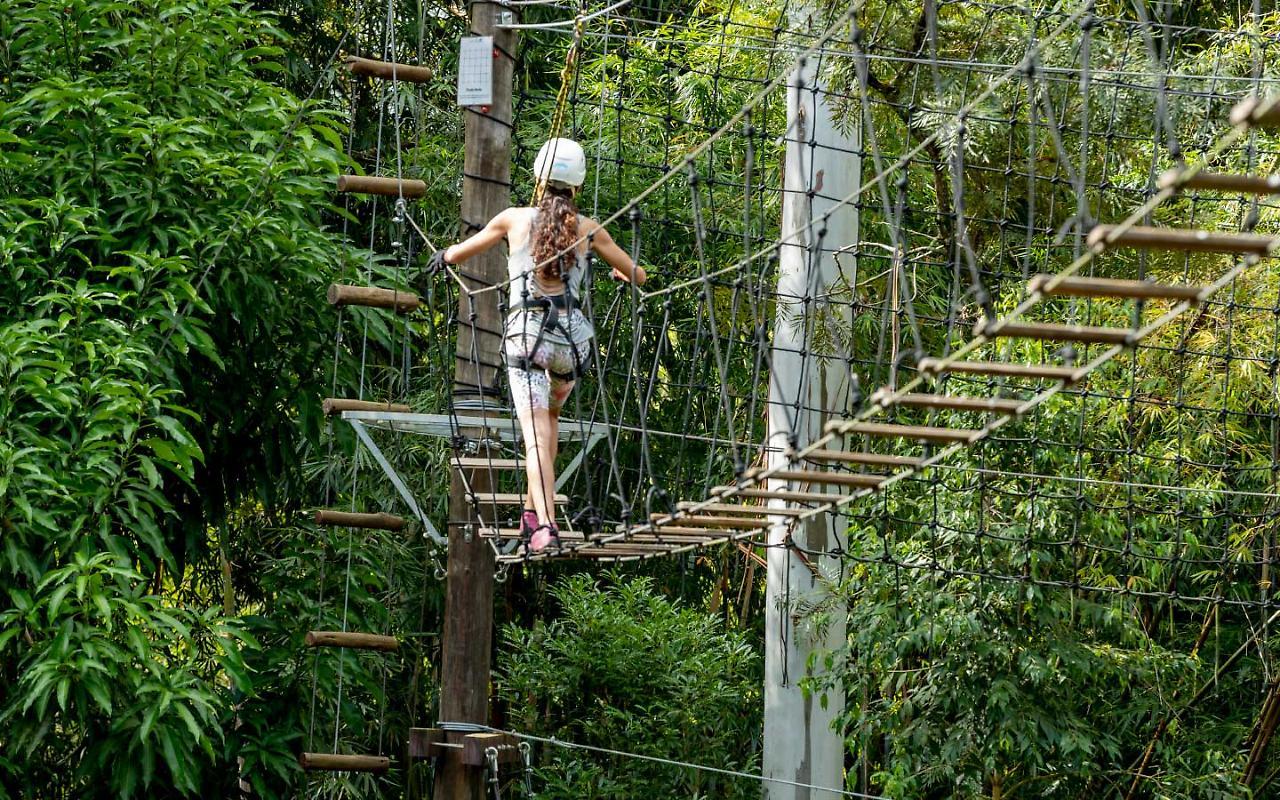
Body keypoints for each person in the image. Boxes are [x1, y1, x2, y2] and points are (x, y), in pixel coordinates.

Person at [435, 138, 646, 551]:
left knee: (534, 435)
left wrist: (442, 255)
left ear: (538, 179)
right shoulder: (588, 229)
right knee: (548, 421)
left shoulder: (512, 220)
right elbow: (637, 275)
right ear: (577, 187)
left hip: (528, 343)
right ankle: (532, 512)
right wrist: (625, 276)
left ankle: (545, 525)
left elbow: (458, 254)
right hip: (572, 346)